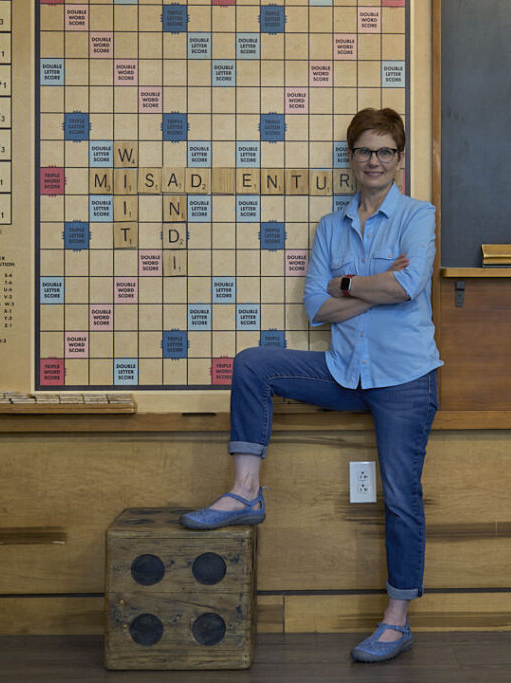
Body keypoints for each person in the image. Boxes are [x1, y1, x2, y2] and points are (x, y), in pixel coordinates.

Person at [180, 107, 441, 663]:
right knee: (253, 364)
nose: (374, 161)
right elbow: (317, 309)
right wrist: (373, 284)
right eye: (365, 151)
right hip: (346, 373)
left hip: (405, 380)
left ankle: (397, 620)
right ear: (351, 159)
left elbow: (409, 286)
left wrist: (347, 281)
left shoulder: (418, 215)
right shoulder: (330, 225)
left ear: (399, 159)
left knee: (400, 497)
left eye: (385, 152)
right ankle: (245, 491)